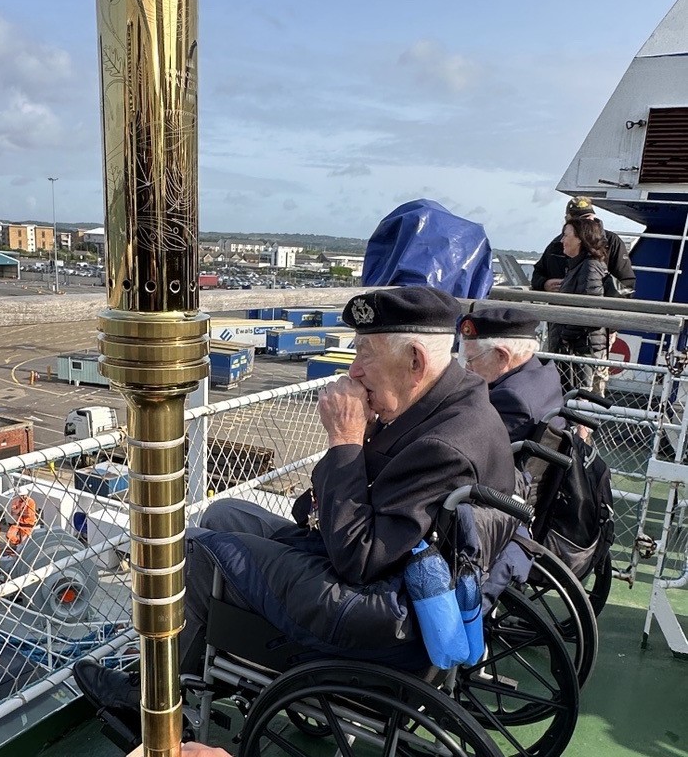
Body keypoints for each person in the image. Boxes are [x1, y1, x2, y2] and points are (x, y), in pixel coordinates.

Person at [74, 286, 517, 728]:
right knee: (224, 514)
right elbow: (318, 511)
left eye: (365, 354)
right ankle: (195, 669)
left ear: (416, 362)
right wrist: (351, 450)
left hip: (380, 617)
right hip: (397, 590)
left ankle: (160, 699)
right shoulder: (455, 406)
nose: (355, 371)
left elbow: (360, 561)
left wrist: (345, 441)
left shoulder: (441, 446)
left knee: (192, 549)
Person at [457, 306, 564, 442]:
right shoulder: (544, 370)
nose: (467, 368)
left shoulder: (511, 400)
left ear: (502, 356)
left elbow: (473, 447)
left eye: (470, 360)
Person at [551, 218, 610, 399]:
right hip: (577, 346)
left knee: (579, 401)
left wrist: (564, 337)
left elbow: (589, 308)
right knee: (573, 400)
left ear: (580, 239)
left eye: (566, 235)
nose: (562, 240)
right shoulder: (580, 265)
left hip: (582, 349)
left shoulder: (589, 266)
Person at [531, 196, 634, 297]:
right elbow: (537, 273)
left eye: (589, 218)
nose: (587, 222)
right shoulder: (556, 245)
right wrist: (545, 284)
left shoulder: (611, 242)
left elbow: (626, 285)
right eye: (581, 220)